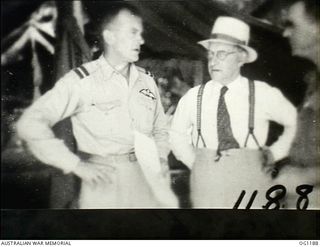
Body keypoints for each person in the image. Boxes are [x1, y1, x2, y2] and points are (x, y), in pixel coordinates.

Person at [17, 3, 169, 208]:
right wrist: (75, 165)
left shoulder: (146, 80)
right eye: (133, 32)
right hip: (103, 181)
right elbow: (29, 123)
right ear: (109, 37)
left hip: (144, 181)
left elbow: (160, 128)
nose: (141, 40)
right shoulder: (82, 81)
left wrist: (159, 158)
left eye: (141, 33)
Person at [170, 16, 297, 208]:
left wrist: (275, 153)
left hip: (251, 184)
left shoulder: (262, 93)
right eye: (211, 55)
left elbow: (297, 123)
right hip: (206, 187)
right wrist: (196, 163)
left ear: (241, 57)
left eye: (221, 54)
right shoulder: (193, 96)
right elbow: (176, 135)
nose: (213, 61)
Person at [274, 0, 320, 209]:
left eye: (292, 24)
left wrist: (307, 175)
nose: (285, 33)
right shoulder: (312, 82)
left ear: (317, 28)